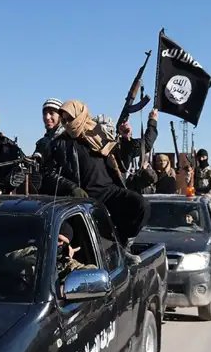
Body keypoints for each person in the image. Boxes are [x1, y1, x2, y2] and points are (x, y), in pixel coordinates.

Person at [42, 99, 149, 245]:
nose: (67, 124)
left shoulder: (98, 135)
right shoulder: (59, 143)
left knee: (141, 205)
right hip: (85, 197)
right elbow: (49, 174)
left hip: (108, 192)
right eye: (64, 120)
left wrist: (126, 138)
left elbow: (123, 163)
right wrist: (72, 188)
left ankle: (122, 242)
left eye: (70, 119)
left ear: (80, 116)